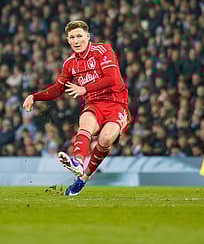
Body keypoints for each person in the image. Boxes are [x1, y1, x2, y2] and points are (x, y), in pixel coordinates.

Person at [23, 20, 130, 196]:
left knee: (106, 139)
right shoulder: (70, 63)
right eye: (72, 37)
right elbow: (58, 89)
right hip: (94, 104)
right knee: (85, 123)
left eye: (79, 36)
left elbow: (112, 79)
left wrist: (84, 88)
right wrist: (34, 96)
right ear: (68, 40)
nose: (76, 40)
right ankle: (78, 162)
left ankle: (83, 179)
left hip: (116, 103)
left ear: (88, 37)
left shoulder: (103, 50)